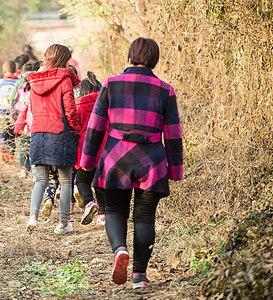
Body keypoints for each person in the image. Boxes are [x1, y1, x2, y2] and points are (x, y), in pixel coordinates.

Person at [80, 37, 183, 288]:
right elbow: (173, 133)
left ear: (129, 57)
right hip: (152, 161)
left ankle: (119, 250)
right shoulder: (165, 89)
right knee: (145, 217)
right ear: (155, 60)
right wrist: (175, 169)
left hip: (116, 158)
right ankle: (139, 275)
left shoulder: (111, 84)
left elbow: (95, 127)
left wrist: (87, 160)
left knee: (115, 210)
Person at [23, 44, 81, 234]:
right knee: (65, 181)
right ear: (64, 59)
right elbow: (70, 110)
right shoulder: (64, 79)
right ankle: (63, 224)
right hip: (60, 133)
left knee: (40, 180)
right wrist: (77, 130)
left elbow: (32, 108)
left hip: (38, 133)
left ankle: (33, 218)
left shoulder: (34, 81)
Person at [74, 72, 106, 225]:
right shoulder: (106, 104)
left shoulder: (79, 106)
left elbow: (75, 128)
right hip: (105, 150)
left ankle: (89, 203)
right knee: (100, 181)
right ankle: (103, 214)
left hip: (84, 151)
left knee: (81, 180)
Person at [0, 60, 20, 162]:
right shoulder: (18, 82)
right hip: (13, 115)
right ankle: (11, 156)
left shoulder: (0, 83)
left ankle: (3, 149)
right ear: (15, 70)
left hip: (1, 114)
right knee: (12, 136)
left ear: (4, 71)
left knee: (2, 134)